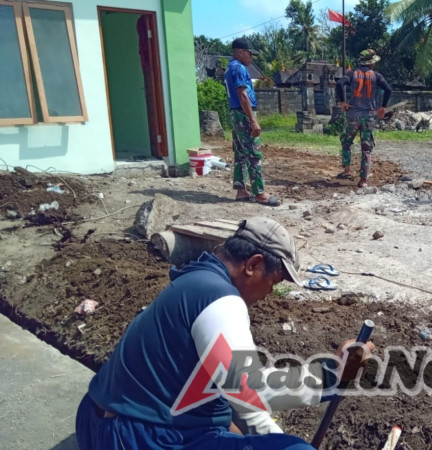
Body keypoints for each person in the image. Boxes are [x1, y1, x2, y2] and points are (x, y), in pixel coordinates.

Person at [76, 217, 375, 449]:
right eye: (274, 281)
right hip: (137, 438)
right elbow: (250, 390)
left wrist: (272, 439)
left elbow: (236, 402)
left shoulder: (196, 283)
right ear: (253, 265)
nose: (271, 292)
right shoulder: (221, 301)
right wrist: (333, 374)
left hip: (103, 425)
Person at [224, 38, 278, 206]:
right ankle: (259, 193)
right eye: (249, 53)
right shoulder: (239, 68)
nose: (251, 57)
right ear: (240, 52)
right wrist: (253, 120)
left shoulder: (230, 68)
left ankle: (241, 191)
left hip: (235, 114)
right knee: (254, 154)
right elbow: (243, 95)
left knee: (240, 153)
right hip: (243, 114)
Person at [335, 49, 393, 188]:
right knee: (366, 148)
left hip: (353, 115)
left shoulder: (352, 74)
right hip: (369, 116)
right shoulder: (377, 76)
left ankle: (347, 170)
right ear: (372, 63)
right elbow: (388, 89)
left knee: (346, 142)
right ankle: (363, 180)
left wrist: (343, 101)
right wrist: (383, 107)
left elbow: (339, 84)